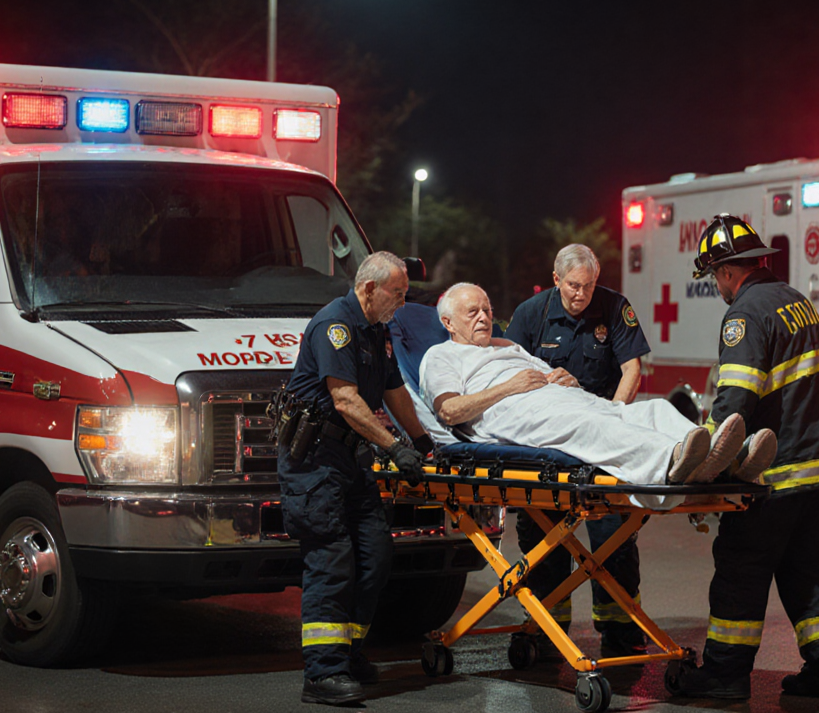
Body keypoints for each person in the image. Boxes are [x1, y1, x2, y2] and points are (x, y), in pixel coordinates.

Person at [671, 215, 819, 702]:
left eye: (716, 276)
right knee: (806, 566)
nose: (717, 286)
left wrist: (705, 460)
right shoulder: (796, 301)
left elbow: (736, 400)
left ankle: (724, 674)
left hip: (779, 469)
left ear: (729, 272)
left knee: (742, 565)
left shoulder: (744, 313)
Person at [419, 283, 771, 495]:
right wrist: (508, 388)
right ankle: (674, 461)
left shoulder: (506, 346)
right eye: (472, 312)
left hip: (555, 397)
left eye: (486, 309)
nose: (483, 317)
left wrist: (565, 379)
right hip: (510, 411)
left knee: (650, 410)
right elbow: (449, 411)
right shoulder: (441, 356)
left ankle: (728, 460)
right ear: (448, 322)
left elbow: (547, 374)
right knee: (593, 428)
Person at [278, 251, 433, 707]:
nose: (401, 304)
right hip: (315, 461)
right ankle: (322, 674)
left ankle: (348, 653)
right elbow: (345, 400)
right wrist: (394, 447)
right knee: (331, 561)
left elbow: (394, 390)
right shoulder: (336, 326)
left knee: (376, 554)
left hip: (349, 459)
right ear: (369, 288)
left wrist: (422, 443)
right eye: (397, 294)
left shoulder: (376, 329)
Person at [503, 244, 653, 658]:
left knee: (614, 540)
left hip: (599, 440)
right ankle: (548, 628)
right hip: (547, 444)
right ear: (556, 280)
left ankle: (621, 632)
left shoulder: (613, 307)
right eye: (573, 286)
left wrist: (614, 419)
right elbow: (509, 373)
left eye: (587, 286)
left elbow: (631, 369)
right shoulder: (531, 314)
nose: (580, 295)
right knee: (543, 538)